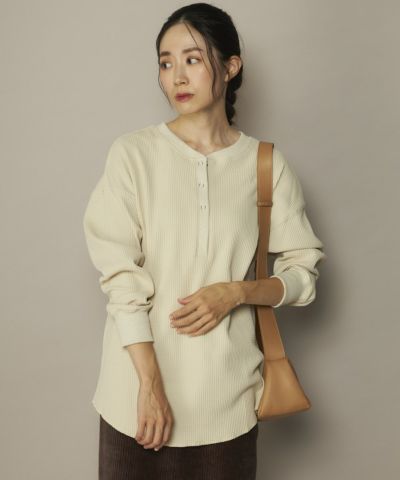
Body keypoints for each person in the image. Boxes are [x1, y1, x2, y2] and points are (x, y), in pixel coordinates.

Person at [82, 3, 327, 479]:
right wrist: (149, 385)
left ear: (230, 67)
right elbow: (121, 280)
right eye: (165, 62)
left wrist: (237, 292)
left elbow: (304, 275)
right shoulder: (133, 154)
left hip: (226, 406)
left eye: (192, 59)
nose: (176, 76)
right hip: (134, 402)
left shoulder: (265, 164)